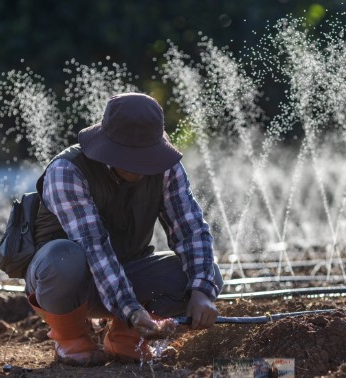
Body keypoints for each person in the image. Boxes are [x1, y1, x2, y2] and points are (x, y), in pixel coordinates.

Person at [24, 92, 223, 366]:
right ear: (109, 149)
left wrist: (202, 292)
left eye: (148, 156)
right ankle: (72, 339)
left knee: (207, 272)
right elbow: (94, 249)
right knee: (64, 256)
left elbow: (190, 229)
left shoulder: (166, 168)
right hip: (67, 282)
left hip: (127, 274)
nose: (144, 167)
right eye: (134, 158)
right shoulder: (67, 171)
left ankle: (125, 337)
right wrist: (130, 307)